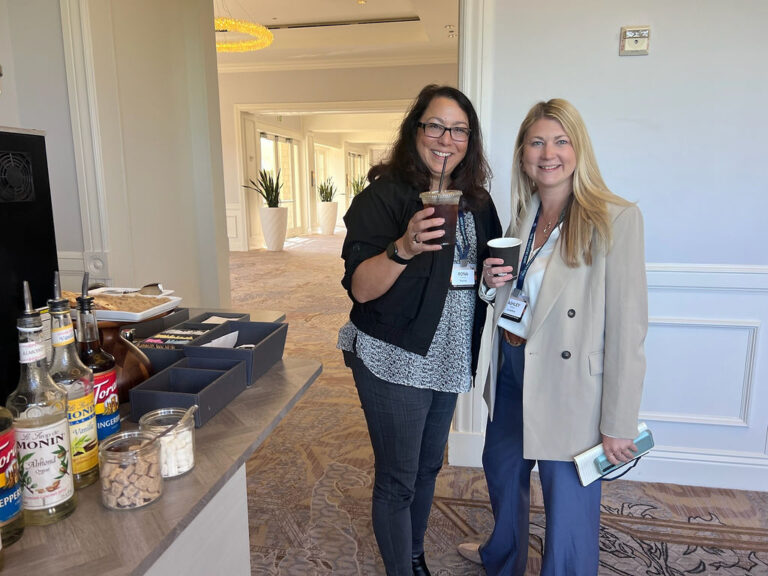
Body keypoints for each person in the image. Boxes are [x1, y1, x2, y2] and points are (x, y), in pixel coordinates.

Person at [458, 98, 648, 575]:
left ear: (578, 149)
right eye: (537, 142)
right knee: (502, 471)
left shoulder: (614, 218)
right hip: (512, 368)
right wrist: (489, 283)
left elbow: (628, 328)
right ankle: (503, 557)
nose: (548, 153)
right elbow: (515, 294)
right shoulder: (524, 215)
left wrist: (618, 420)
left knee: (568, 501)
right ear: (523, 154)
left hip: (570, 384)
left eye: (561, 141)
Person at [337, 84, 502, 576]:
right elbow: (361, 289)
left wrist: (492, 278)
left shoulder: (478, 203)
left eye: (459, 130)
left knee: (429, 467)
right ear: (415, 131)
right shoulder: (383, 197)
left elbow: (481, 278)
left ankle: (412, 555)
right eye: (435, 126)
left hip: (449, 353)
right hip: (395, 355)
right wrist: (403, 248)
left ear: (470, 140)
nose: (446, 139)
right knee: (398, 477)